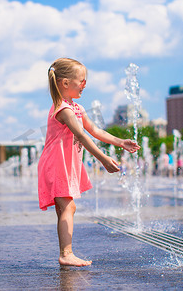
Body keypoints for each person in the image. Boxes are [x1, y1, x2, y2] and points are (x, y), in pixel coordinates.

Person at [38, 58, 140, 267]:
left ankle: (66, 252)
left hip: (66, 163)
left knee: (67, 207)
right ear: (65, 83)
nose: (85, 84)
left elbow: (95, 130)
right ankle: (66, 254)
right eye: (82, 80)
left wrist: (120, 142)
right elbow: (83, 136)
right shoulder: (63, 109)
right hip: (57, 164)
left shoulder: (76, 107)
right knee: (68, 206)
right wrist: (103, 159)